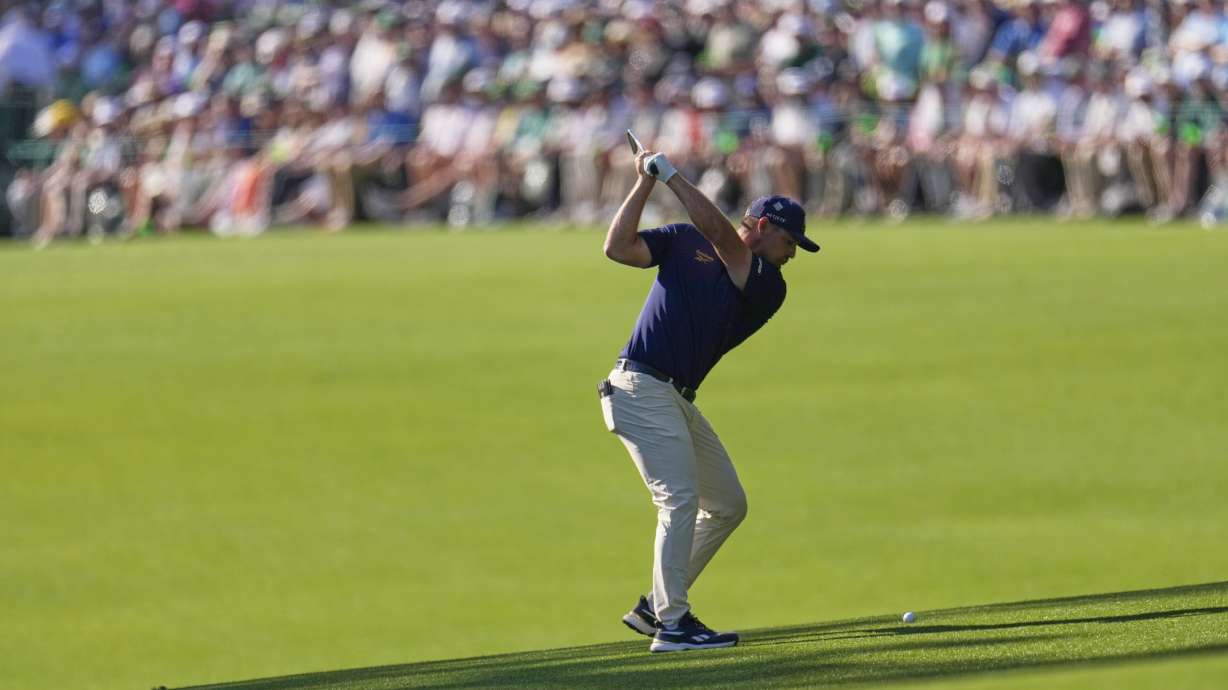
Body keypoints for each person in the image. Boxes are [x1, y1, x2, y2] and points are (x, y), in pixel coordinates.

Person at [598, 147, 820, 652]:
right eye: (790, 242)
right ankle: (673, 623)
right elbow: (617, 248)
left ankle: (655, 605)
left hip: (674, 398)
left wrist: (671, 175)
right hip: (639, 387)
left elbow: (722, 236)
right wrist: (645, 181)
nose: (792, 254)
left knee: (726, 504)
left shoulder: (768, 285)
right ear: (762, 226)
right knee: (678, 499)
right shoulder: (683, 239)